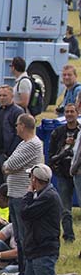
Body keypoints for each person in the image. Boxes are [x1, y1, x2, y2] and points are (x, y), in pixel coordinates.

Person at [19, 163, 65, 275]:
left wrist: (28, 194)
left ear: (35, 180)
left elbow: (25, 213)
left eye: (30, 177)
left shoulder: (48, 197)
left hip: (43, 250)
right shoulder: (43, 195)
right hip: (34, 250)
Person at [2, 113, 43, 271]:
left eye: (17, 125)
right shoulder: (22, 144)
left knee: (24, 235)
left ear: (23, 126)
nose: (16, 128)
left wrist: (9, 168)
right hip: (14, 194)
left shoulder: (33, 144)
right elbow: (7, 164)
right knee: (18, 236)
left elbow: (10, 165)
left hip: (23, 196)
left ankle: (27, 271)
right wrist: (9, 167)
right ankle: (21, 270)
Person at [49, 103, 78, 241]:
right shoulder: (58, 132)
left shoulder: (80, 132)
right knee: (65, 208)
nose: (69, 114)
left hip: (78, 173)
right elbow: (51, 155)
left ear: (77, 113)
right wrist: (64, 146)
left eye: (72, 111)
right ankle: (68, 236)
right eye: (67, 112)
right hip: (63, 174)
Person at [0, 85, 23, 190]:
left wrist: (9, 153)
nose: (2, 98)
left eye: (5, 95)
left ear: (12, 96)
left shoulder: (17, 112)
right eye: (0, 95)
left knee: (8, 186)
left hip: (7, 155)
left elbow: (19, 135)